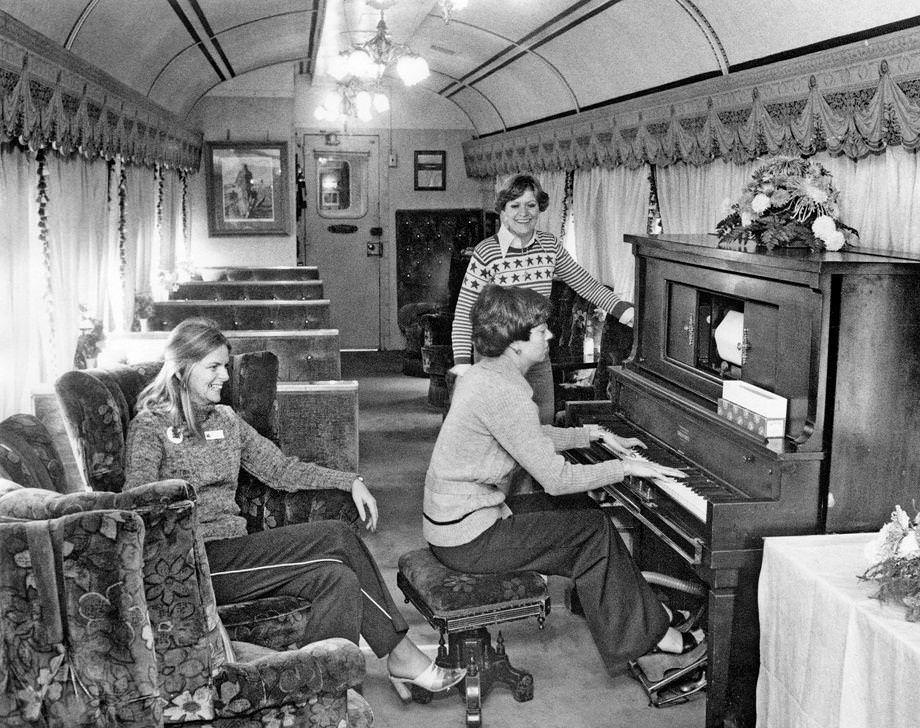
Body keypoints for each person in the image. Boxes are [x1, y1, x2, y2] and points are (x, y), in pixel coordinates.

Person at [124, 317, 465, 701]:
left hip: (236, 552)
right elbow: (136, 504)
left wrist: (349, 480)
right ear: (183, 369)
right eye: (213, 367)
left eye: (225, 365)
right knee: (336, 535)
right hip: (194, 562)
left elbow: (281, 469)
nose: (224, 376)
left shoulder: (226, 420)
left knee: (339, 580)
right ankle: (402, 655)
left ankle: (324, 692)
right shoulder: (150, 428)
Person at [426, 285, 705, 676]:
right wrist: (625, 468)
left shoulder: (482, 375)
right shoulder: (505, 392)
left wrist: (591, 435)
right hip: (469, 539)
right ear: (515, 344)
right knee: (593, 531)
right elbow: (555, 479)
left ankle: (647, 617)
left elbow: (524, 436)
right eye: (542, 330)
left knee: (582, 511)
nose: (551, 336)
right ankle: (652, 637)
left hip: (455, 524)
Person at [451, 173, 635, 425]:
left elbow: (584, 283)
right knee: (504, 429)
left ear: (540, 208)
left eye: (531, 205)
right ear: (502, 211)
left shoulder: (550, 246)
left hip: (537, 354)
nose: (523, 213)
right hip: (497, 358)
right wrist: (462, 365)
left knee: (543, 423)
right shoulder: (487, 252)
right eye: (514, 205)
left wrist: (623, 310)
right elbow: (464, 313)